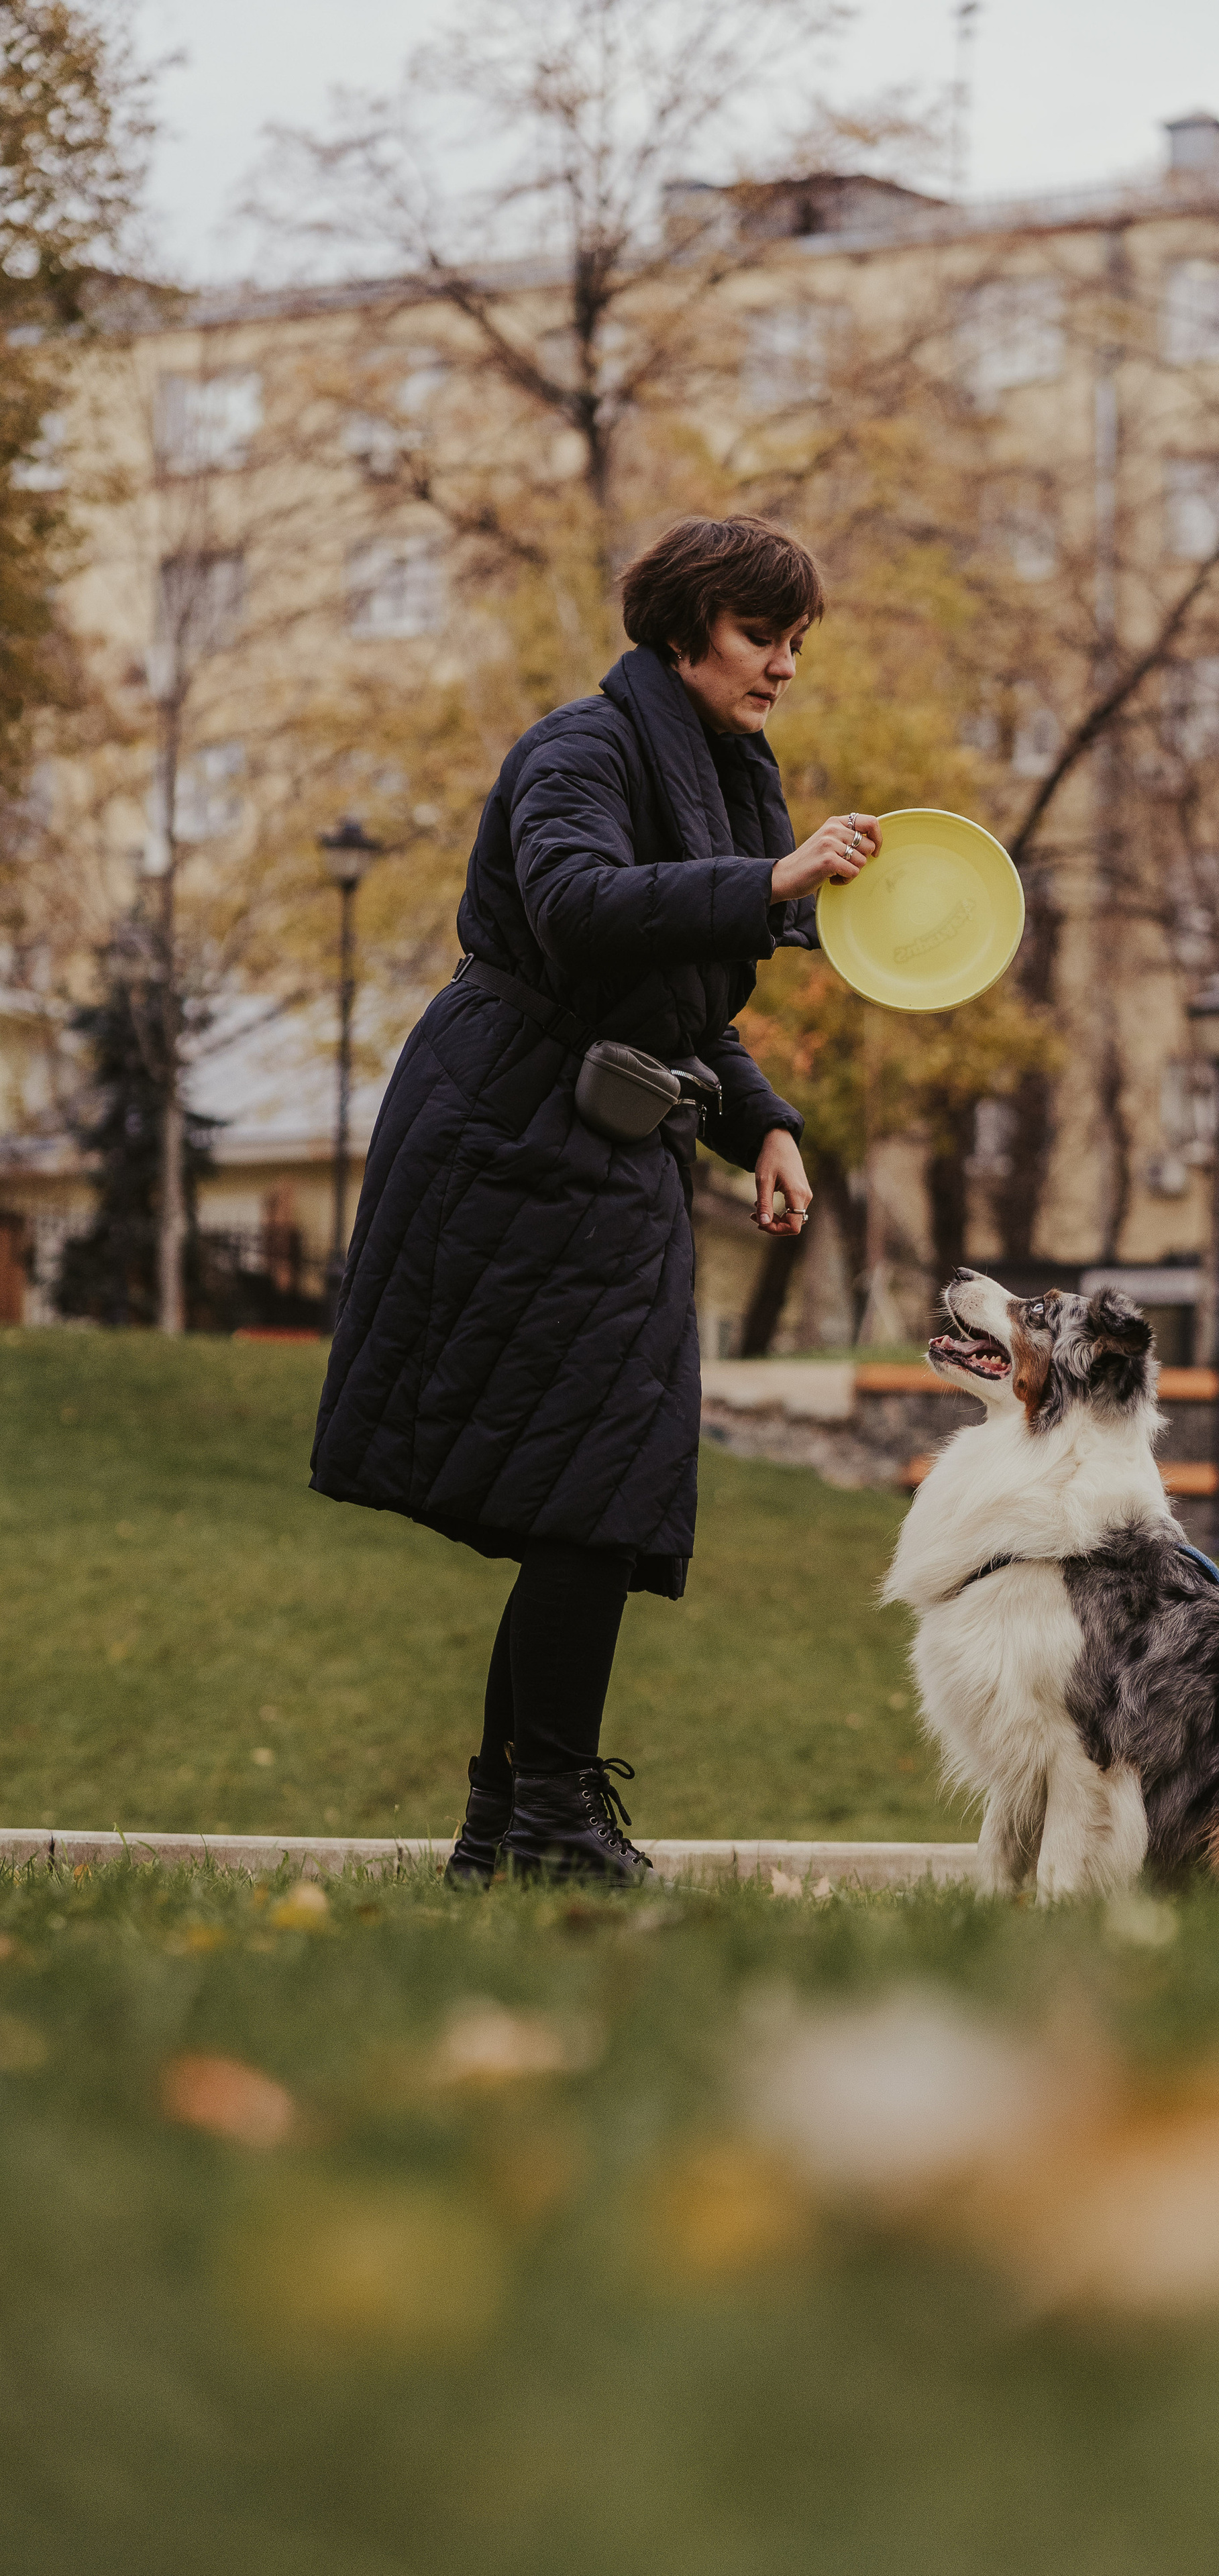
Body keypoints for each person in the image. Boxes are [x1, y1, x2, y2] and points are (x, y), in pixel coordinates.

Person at [309, 515, 878, 1886]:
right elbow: (579, 906)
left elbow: (678, 995)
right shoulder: (584, 746)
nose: (784, 667)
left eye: (796, 642)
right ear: (684, 628)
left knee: (595, 1486)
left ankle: (510, 1824)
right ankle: (546, 1821)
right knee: (597, 1488)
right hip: (508, 1129)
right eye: (762, 636)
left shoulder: (726, 769)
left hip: (598, 1135)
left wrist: (767, 1129)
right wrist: (773, 879)